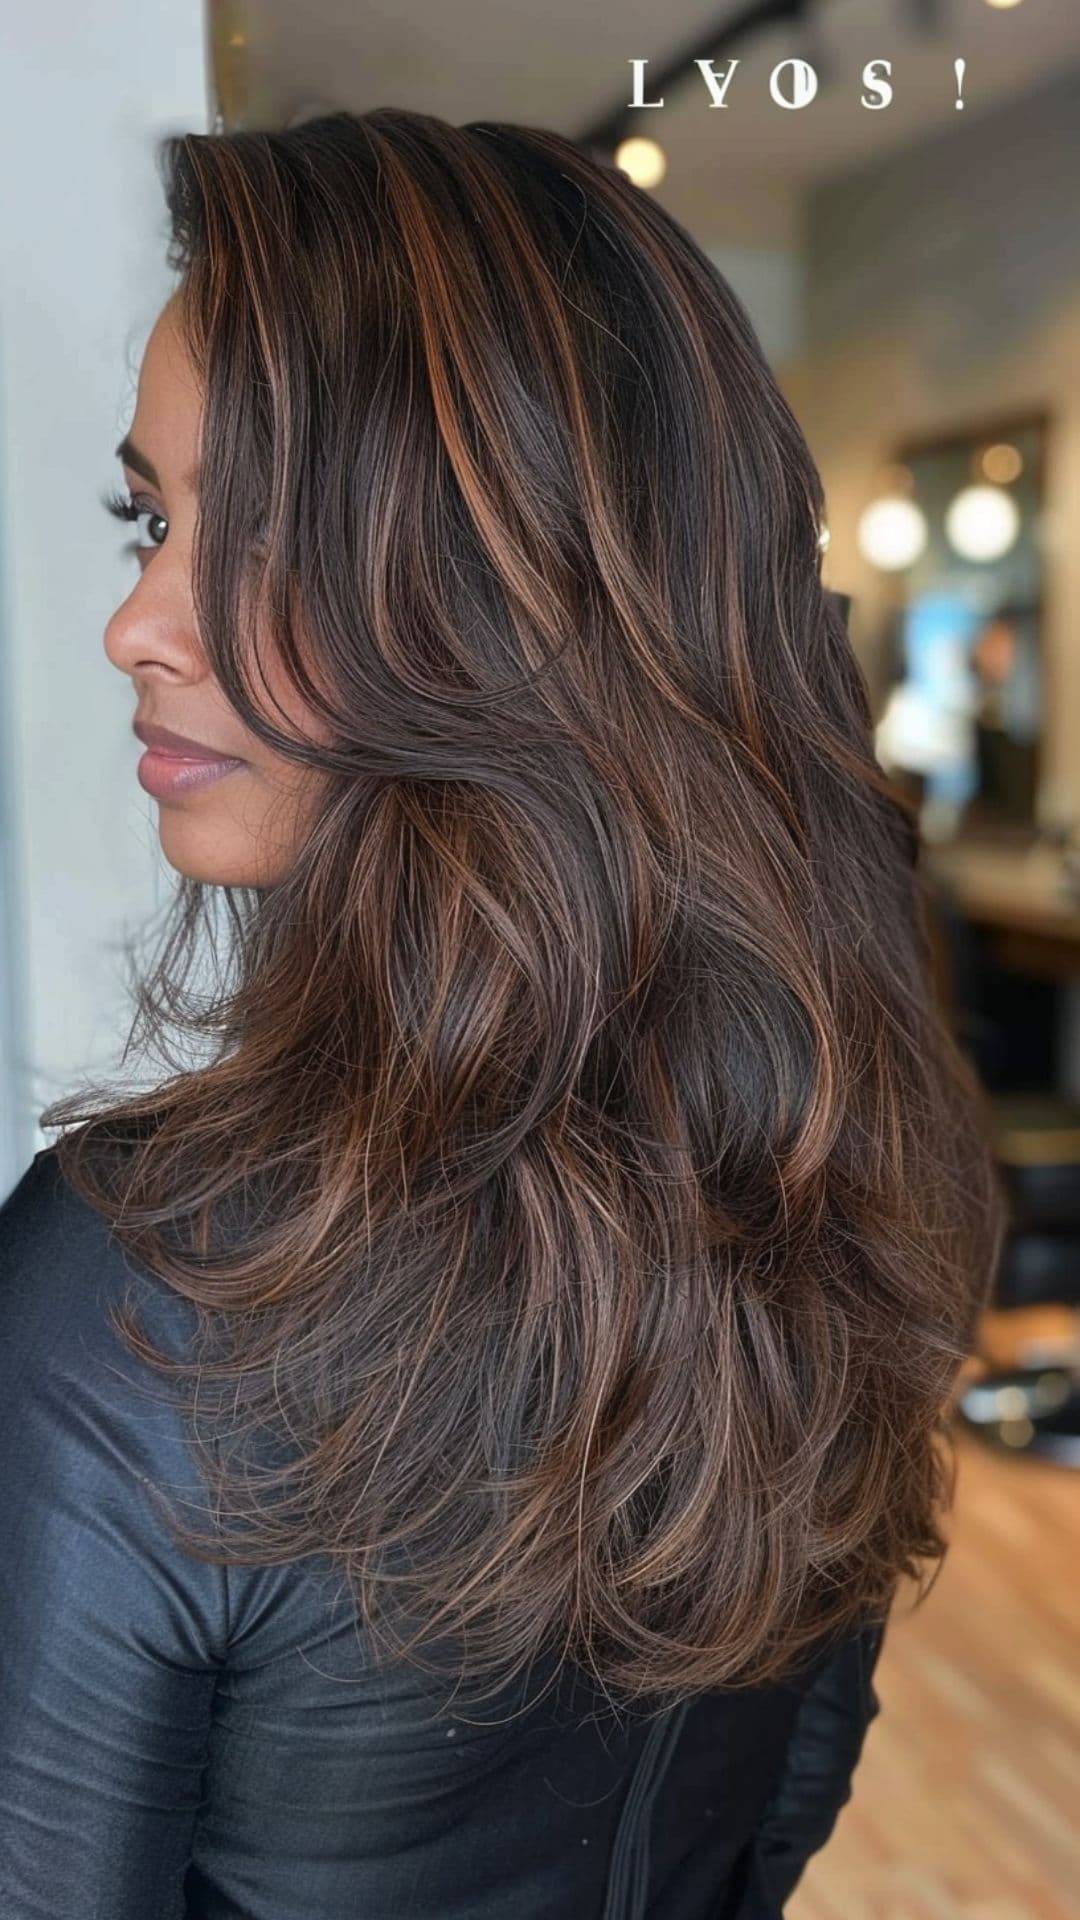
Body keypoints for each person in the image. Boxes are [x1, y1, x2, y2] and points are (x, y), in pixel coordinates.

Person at [0, 108, 1006, 1918]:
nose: (139, 621)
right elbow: (775, 1822)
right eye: (150, 516)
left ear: (514, 596)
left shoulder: (146, 1292)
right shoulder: (838, 1157)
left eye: (271, 530)